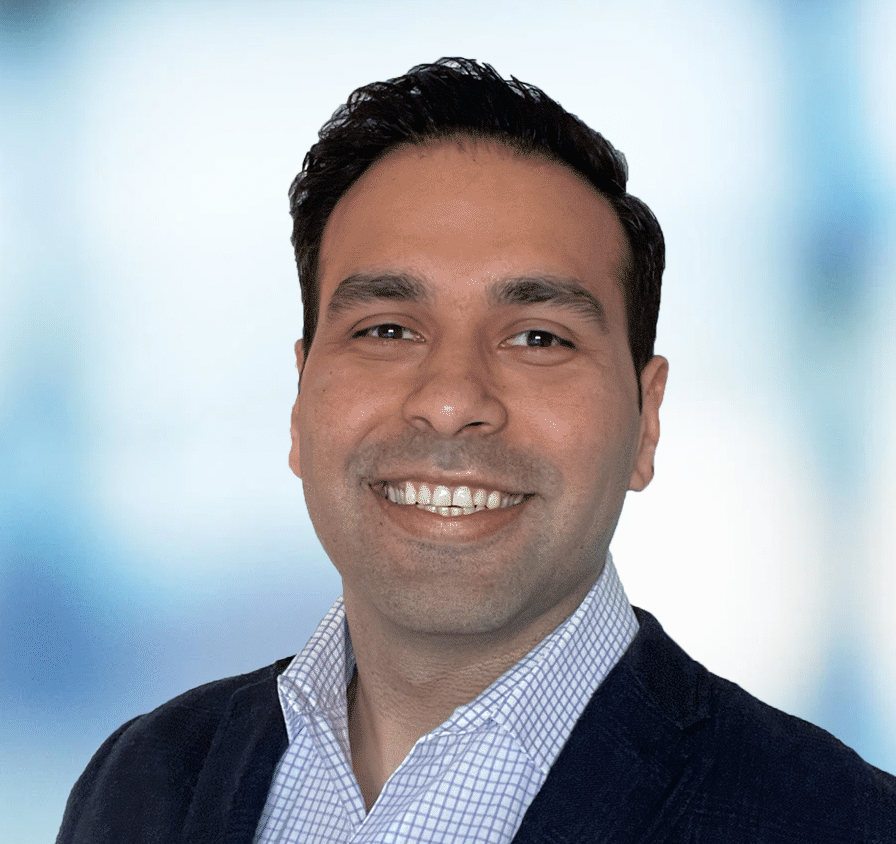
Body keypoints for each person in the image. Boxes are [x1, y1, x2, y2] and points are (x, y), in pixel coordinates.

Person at [57, 57, 895, 843]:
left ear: (646, 423)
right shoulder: (143, 781)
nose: (452, 400)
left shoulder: (840, 822)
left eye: (538, 337)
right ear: (300, 401)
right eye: (387, 330)